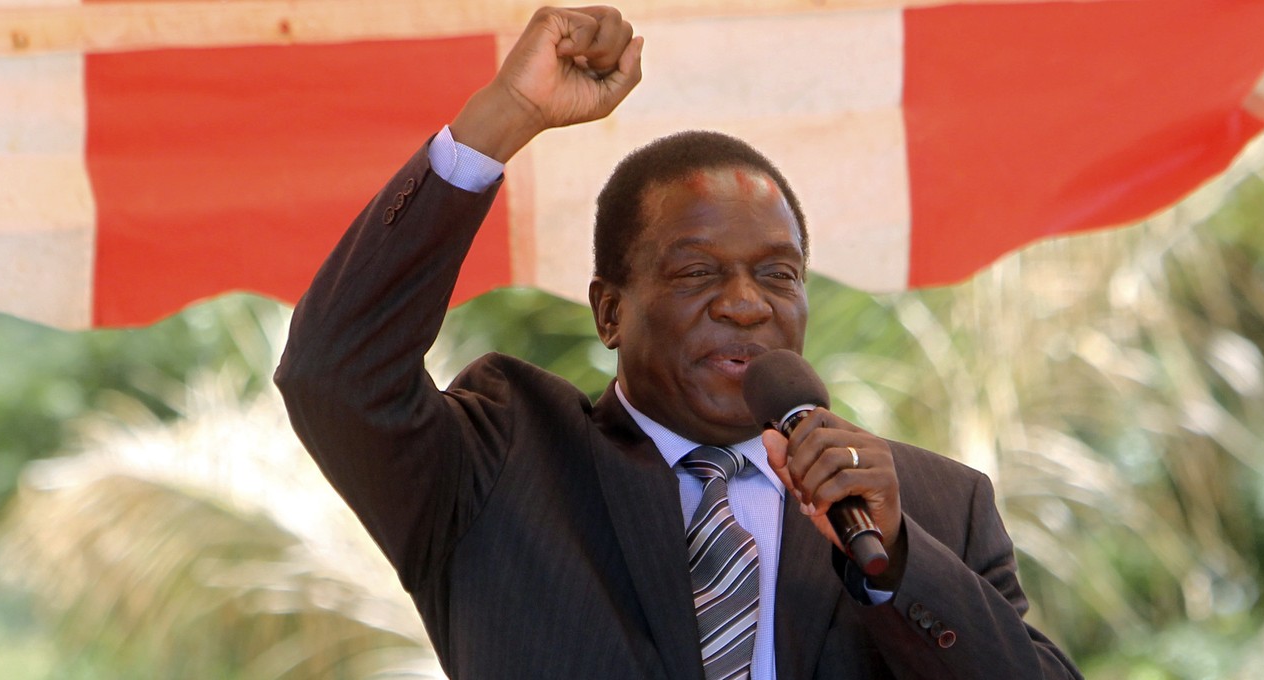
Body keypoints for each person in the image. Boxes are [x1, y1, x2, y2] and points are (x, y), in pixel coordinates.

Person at [276, 6, 1082, 679]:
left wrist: (898, 566)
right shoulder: (500, 464)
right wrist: (503, 117)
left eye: (779, 275)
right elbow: (331, 373)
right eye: (697, 273)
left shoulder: (931, 507)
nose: (744, 306)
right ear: (609, 312)